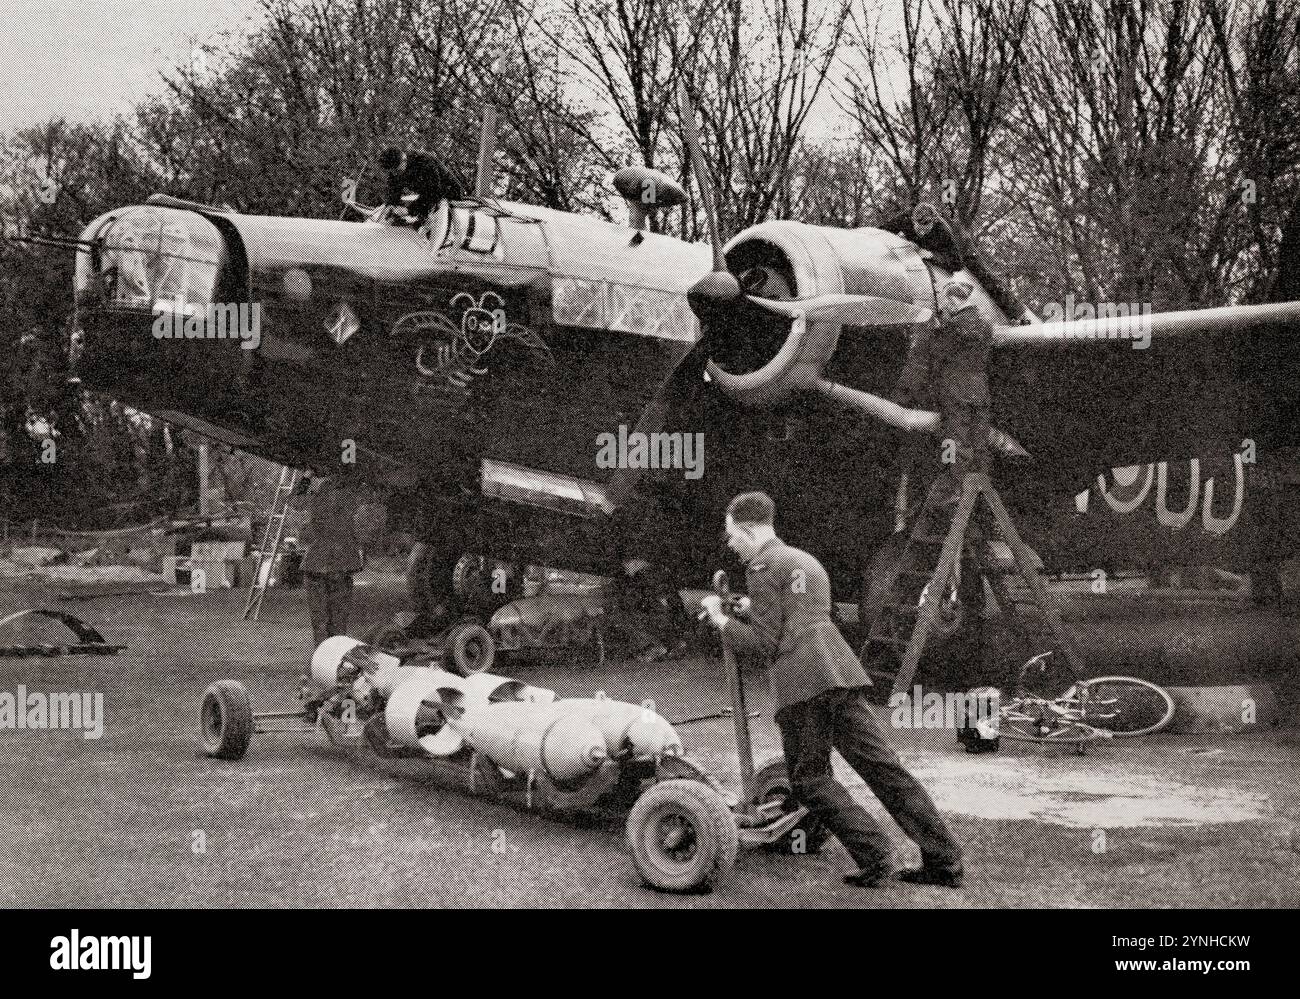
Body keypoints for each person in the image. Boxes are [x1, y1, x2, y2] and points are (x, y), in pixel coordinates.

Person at [699, 491, 964, 888]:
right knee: (883, 768)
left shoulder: (762, 567)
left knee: (809, 779)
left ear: (750, 530)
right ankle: (945, 861)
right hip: (839, 671)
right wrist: (747, 610)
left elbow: (765, 644)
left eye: (733, 536)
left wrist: (720, 619)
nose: (731, 544)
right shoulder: (803, 561)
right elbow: (797, 615)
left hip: (803, 682)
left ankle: (875, 854)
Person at [301, 475, 364, 648]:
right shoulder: (351, 499)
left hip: (316, 564)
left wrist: (305, 479)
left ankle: (323, 659)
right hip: (342, 565)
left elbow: (295, 502)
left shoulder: (316, 498)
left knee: (320, 623)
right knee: (339, 622)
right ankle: (334, 658)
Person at [378, 147, 466, 225]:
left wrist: (409, 210)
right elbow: (394, 189)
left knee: (433, 215)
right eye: (391, 171)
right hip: (428, 195)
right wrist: (391, 204)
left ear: (404, 160)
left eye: (396, 170)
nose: (394, 174)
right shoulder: (396, 170)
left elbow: (433, 193)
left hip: (448, 193)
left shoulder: (425, 162)